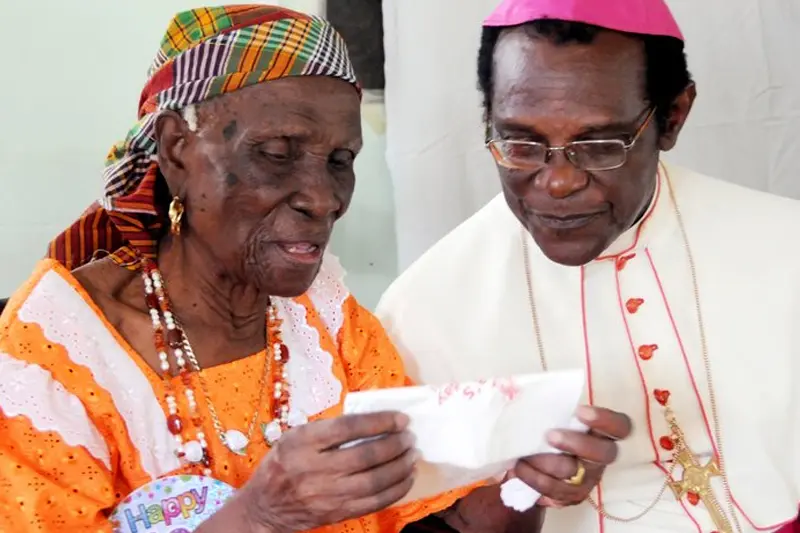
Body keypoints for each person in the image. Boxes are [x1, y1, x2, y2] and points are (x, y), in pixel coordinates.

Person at [0, 5, 630, 533]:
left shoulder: (322, 319)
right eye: (276, 154)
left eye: (339, 160)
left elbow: (429, 521)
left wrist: (526, 481)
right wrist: (258, 516)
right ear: (177, 150)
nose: (325, 199)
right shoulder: (55, 352)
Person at [376, 0, 800, 532]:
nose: (557, 183)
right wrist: (517, 496)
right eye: (521, 143)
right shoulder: (422, 310)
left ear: (672, 118)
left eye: (599, 145)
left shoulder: (787, 245)